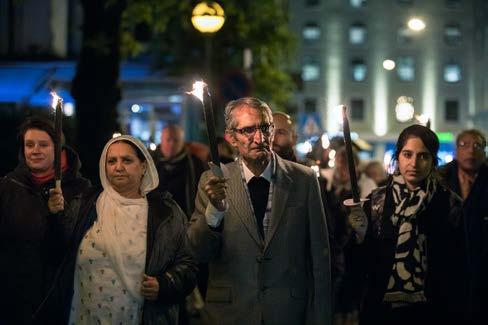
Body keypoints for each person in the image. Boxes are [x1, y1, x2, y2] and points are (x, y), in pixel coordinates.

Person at [188, 97, 332, 325]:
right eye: (248, 130)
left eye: (265, 128)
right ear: (231, 138)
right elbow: (198, 251)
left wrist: (321, 317)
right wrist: (214, 212)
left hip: (288, 313)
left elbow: (319, 258)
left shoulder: (303, 180)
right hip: (231, 314)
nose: (259, 138)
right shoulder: (213, 180)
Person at [39, 135, 197, 324]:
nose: (118, 167)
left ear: (144, 166)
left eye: (127, 160)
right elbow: (54, 254)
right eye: (111, 161)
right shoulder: (85, 205)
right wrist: (54, 218)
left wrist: (164, 285)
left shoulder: (166, 213)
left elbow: (189, 263)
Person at [347, 124, 467, 325]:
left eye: (423, 156)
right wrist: (358, 235)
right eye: (407, 154)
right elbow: (360, 260)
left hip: (434, 310)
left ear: (432, 161)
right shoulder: (377, 202)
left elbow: (459, 264)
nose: (414, 163)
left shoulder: (450, 203)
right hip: (381, 309)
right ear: (398, 157)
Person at [0, 116, 91, 324]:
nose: (35, 151)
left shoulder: (80, 190)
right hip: (14, 301)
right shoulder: (7, 187)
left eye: (43, 145)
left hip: (60, 299)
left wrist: (57, 216)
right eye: (29, 145)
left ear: (58, 149)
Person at [438, 129, 487, 322]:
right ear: (456, 149)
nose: (470, 151)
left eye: (477, 146)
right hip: (448, 263)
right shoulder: (440, 179)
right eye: (464, 145)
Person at [152, 124, 206, 218]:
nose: (172, 144)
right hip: (156, 219)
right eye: (168, 140)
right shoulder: (150, 163)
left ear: (182, 142)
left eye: (176, 140)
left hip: (186, 219)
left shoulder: (195, 164)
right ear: (161, 141)